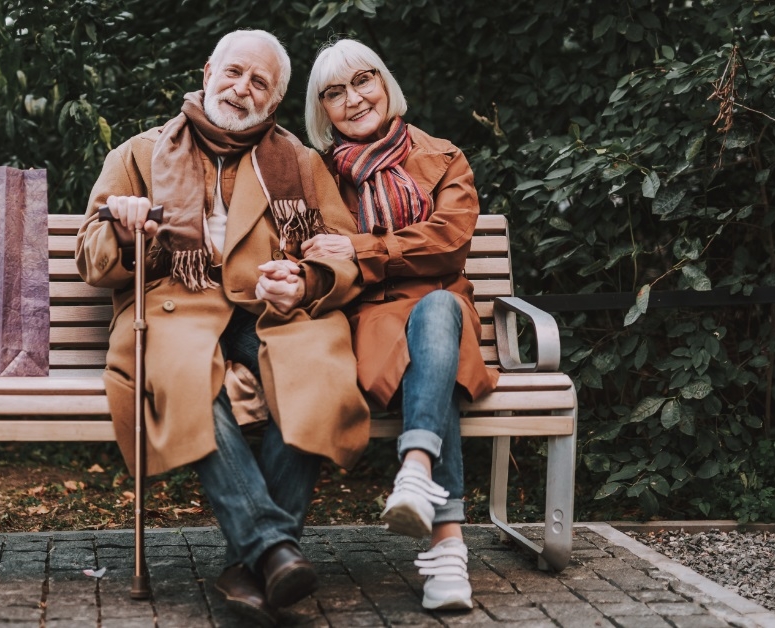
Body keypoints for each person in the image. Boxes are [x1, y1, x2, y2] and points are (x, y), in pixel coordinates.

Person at [76, 30, 370, 625]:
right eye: (234, 73)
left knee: (315, 371)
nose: (241, 89)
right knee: (186, 378)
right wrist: (125, 230)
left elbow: (342, 252)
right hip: (171, 307)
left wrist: (306, 280)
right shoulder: (140, 153)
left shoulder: (302, 163)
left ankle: (249, 564)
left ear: (275, 100)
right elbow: (90, 258)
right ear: (208, 70)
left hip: (268, 310)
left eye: (259, 82)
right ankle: (273, 549)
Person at [301, 39, 501, 611]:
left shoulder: (443, 156)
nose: (353, 98)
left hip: (441, 303)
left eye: (362, 81)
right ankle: (447, 555)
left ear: (384, 83)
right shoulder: (317, 173)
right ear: (323, 111)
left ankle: (415, 468)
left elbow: (449, 242)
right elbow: (315, 251)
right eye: (333, 93)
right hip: (369, 317)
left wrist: (362, 246)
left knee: (436, 313)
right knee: (433, 369)